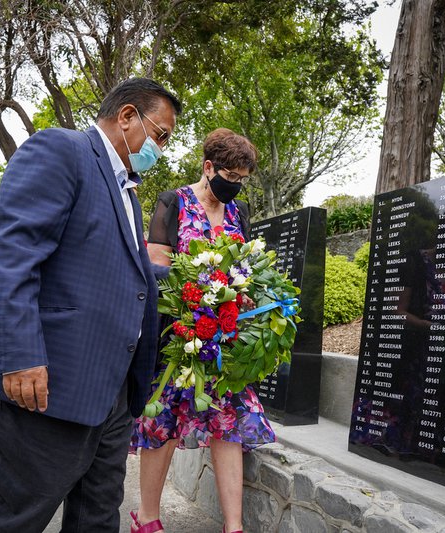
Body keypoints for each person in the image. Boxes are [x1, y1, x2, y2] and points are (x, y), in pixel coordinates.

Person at [0, 78, 181, 532]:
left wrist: (197, 283)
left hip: (108, 391)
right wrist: (21, 356)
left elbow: (121, 271)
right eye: (161, 135)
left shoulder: (127, 192)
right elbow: (16, 254)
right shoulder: (61, 149)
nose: (162, 149)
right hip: (43, 384)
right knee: (17, 515)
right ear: (128, 116)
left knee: (97, 517)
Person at [130, 128, 273, 533]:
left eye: (243, 178)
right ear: (208, 167)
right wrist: (201, 298)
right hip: (180, 336)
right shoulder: (172, 202)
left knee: (229, 422)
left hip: (224, 340)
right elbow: (158, 269)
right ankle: (148, 518)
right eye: (231, 175)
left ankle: (233, 526)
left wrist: (239, 296)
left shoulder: (238, 211)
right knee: (164, 426)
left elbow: (246, 264)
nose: (236, 185)